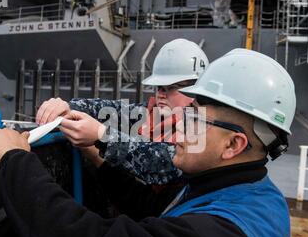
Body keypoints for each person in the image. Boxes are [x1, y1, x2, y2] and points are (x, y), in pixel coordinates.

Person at [0, 48, 296, 237]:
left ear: (233, 144)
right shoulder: (250, 193)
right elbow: (152, 207)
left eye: (194, 118)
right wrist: (95, 153)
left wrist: (14, 157)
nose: (180, 126)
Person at [36, 38, 209, 185]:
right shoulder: (154, 113)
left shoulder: (204, 131)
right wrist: (68, 106)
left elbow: (161, 161)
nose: (160, 95)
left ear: (194, 92)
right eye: (158, 88)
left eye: (170, 88)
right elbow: (111, 110)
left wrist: (102, 135)